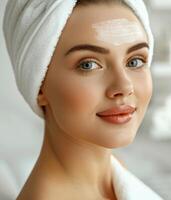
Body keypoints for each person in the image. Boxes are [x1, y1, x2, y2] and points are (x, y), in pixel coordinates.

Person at [2, 0, 162, 199]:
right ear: (39, 84)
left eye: (135, 61)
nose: (124, 86)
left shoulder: (113, 170)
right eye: (88, 65)